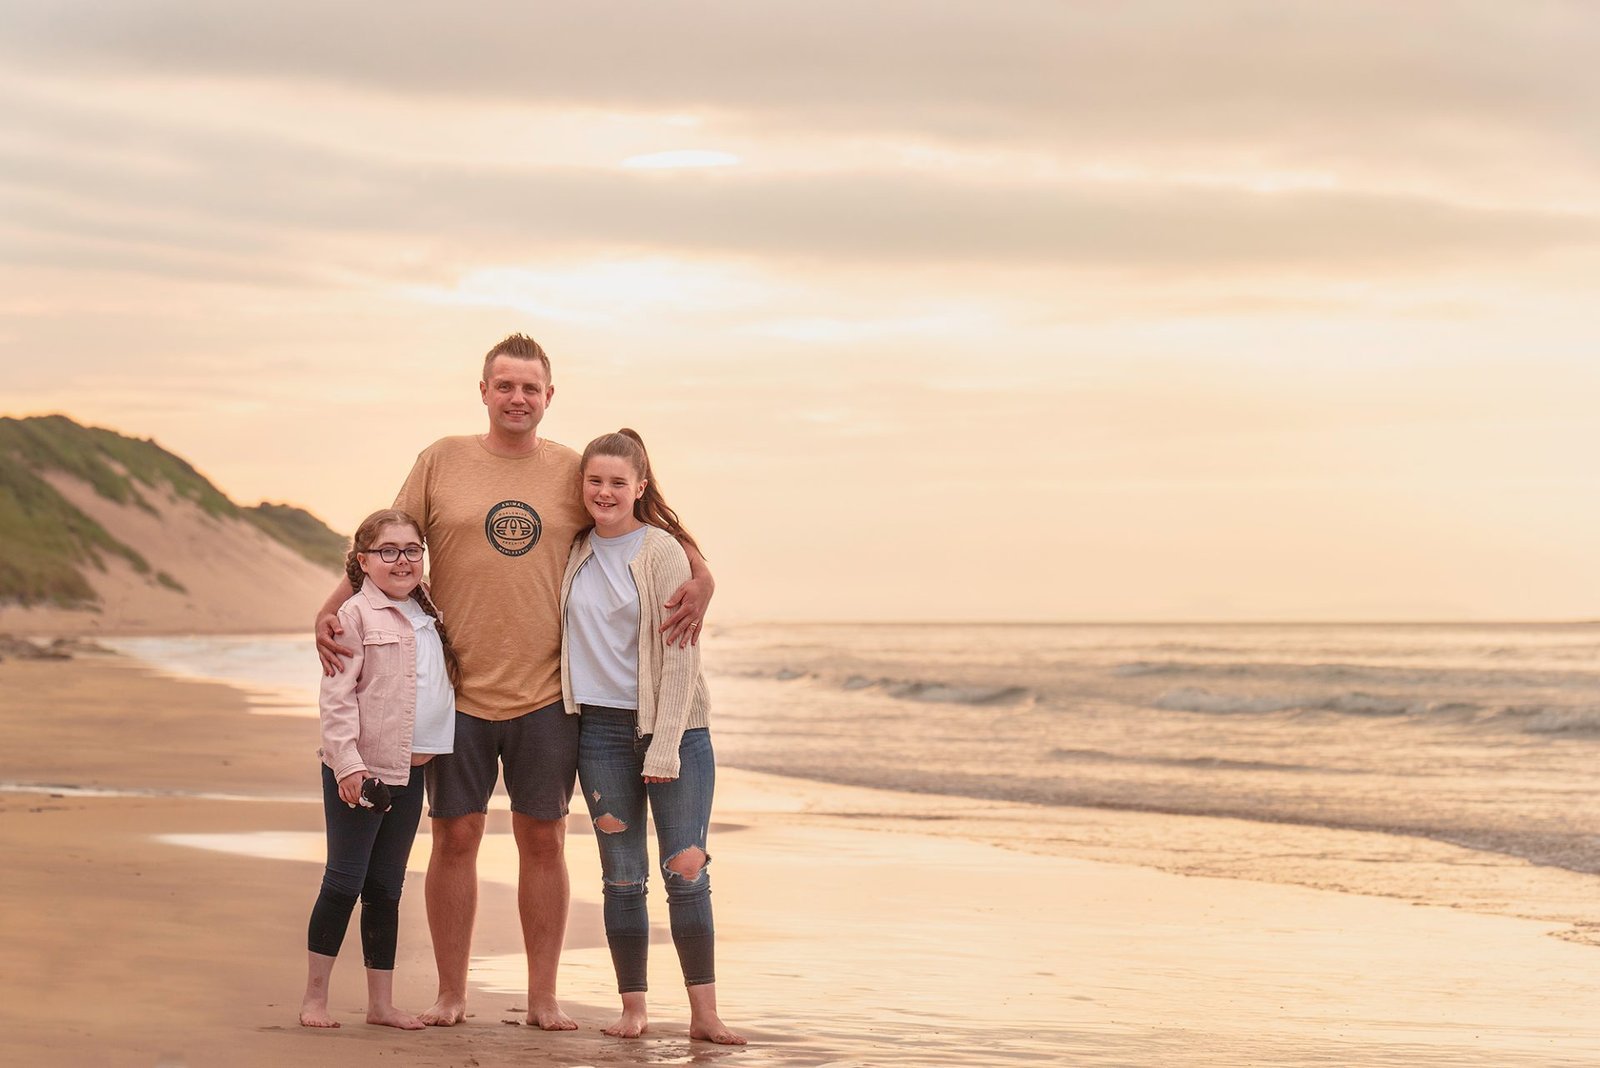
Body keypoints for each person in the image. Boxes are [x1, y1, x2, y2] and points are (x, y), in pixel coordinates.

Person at [313, 334, 713, 1030]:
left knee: (544, 840)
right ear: (484, 391)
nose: (517, 398)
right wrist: (332, 607)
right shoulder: (441, 460)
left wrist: (701, 576)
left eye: (530, 387)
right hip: (455, 692)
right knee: (455, 838)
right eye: (505, 385)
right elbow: (388, 538)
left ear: (549, 396)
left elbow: (647, 524)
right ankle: (450, 993)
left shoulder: (571, 470)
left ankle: (544, 999)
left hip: (549, 695)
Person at [561, 429, 745, 1045]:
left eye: (618, 482)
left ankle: (705, 1014)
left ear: (640, 486)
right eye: (595, 481)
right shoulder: (576, 549)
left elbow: (679, 659)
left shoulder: (664, 550)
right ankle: (633, 1009)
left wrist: (664, 744)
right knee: (621, 874)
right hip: (602, 732)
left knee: (686, 869)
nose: (605, 492)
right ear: (582, 486)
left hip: (677, 730)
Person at [301, 509, 461, 1030]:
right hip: (362, 771)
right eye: (387, 551)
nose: (402, 560)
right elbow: (338, 698)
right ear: (363, 562)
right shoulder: (354, 616)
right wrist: (348, 766)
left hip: (409, 772)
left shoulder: (426, 610)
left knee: (387, 888)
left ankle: (380, 1004)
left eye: (412, 549)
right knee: (344, 881)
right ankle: (315, 1000)